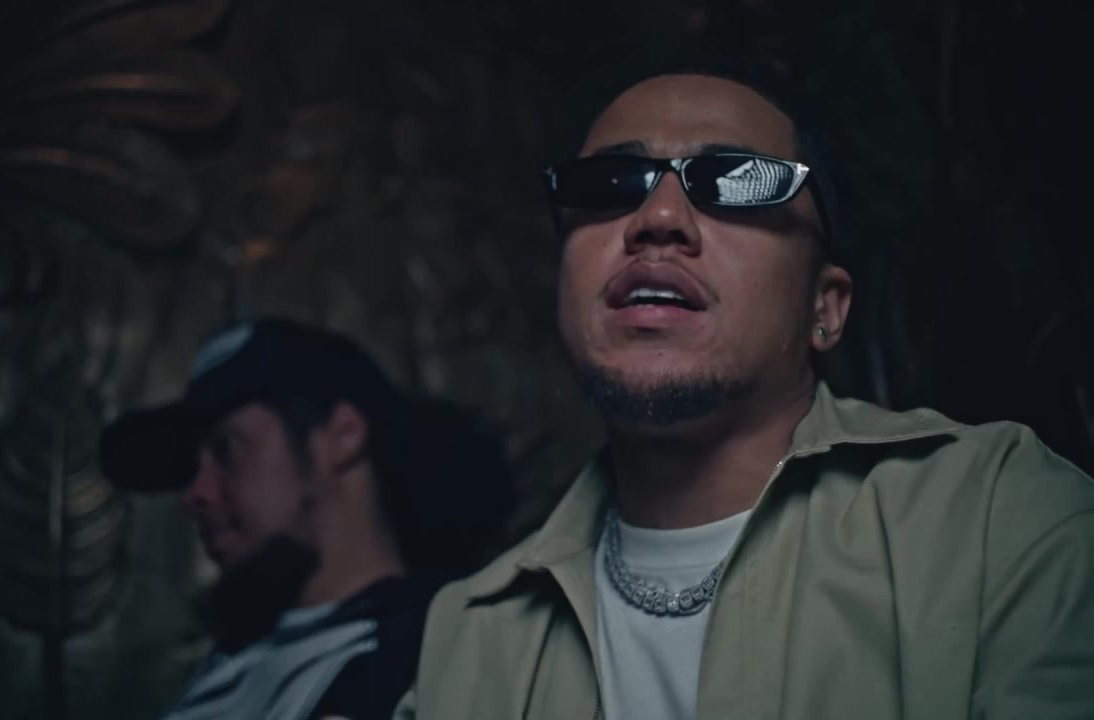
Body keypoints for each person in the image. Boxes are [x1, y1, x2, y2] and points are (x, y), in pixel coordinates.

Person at [395, 61, 1094, 719]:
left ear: (825, 307)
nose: (658, 218)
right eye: (611, 182)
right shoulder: (467, 640)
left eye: (738, 181)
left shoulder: (998, 520)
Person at [100, 317, 512, 720]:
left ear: (344, 436)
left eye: (227, 450)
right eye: (191, 467)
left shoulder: (438, 661)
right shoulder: (231, 664)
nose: (196, 493)